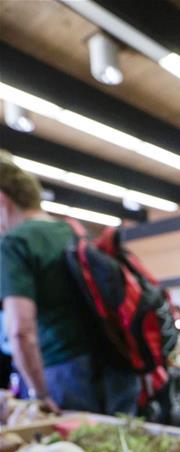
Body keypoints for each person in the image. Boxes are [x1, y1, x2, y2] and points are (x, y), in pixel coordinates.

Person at [0, 154, 139, 415]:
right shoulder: (76, 232)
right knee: (124, 450)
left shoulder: (15, 242)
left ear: (2, 200)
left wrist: (40, 394)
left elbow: (20, 330)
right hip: (116, 363)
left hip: (66, 370)